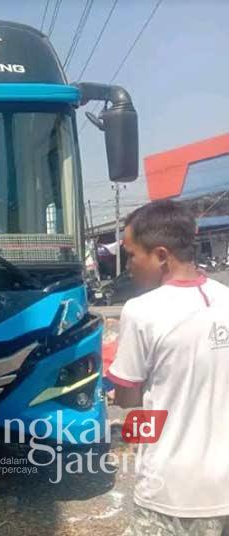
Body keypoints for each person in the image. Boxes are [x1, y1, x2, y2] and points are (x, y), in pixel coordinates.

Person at [106, 200, 229, 535]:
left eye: (131, 255)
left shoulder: (142, 310)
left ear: (161, 255)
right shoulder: (225, 298)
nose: (128, 265)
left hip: (172, 491)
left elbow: (127, 400)